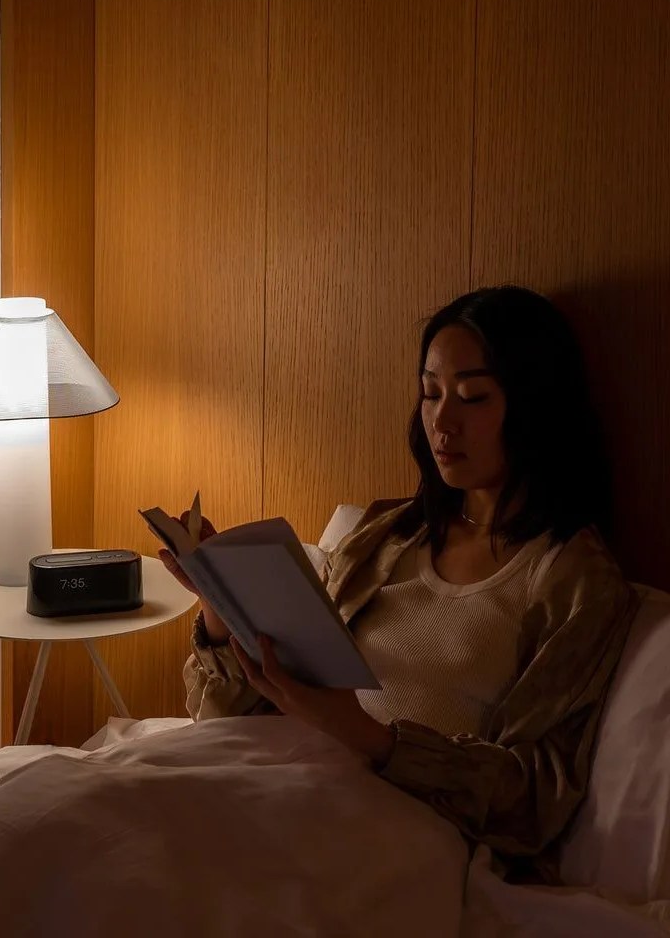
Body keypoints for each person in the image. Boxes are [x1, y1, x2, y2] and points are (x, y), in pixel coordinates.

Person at [160, 286, 638, 880]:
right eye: (431, 394)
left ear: (535, 406)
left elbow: (532, 799)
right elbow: (226, 712)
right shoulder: (391, 534)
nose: (442, 420)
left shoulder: (573, 581)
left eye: (472, 397)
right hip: (281, 765)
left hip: (390, 823)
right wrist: (218, 598)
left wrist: (366, 735)